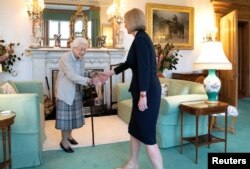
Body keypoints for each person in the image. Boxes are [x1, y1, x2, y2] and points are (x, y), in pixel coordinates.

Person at [101, 8, 164, 169]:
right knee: (134, 129)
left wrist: (143, 95)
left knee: (148, 136)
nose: (125, 25)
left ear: (133, 21)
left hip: (147, 91)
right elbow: (129, 63)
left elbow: (143, 68)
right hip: (144, 90)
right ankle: (133, 163)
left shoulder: (141, 40)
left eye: (126, 21)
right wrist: (110, 72)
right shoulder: (140, 39)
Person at [55, 37, 99, 153]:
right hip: (66, 91)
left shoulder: (80, 59)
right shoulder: (66, 57)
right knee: (66, 119)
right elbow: (72, 75)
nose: (83, 52)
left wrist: (90, 74)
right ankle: (64, 141)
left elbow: (80, 73)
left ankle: (69, 136)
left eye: (85, 50)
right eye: (81, 50)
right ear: (74, 48)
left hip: (76, 91)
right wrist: (89, 81)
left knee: (72, 117)